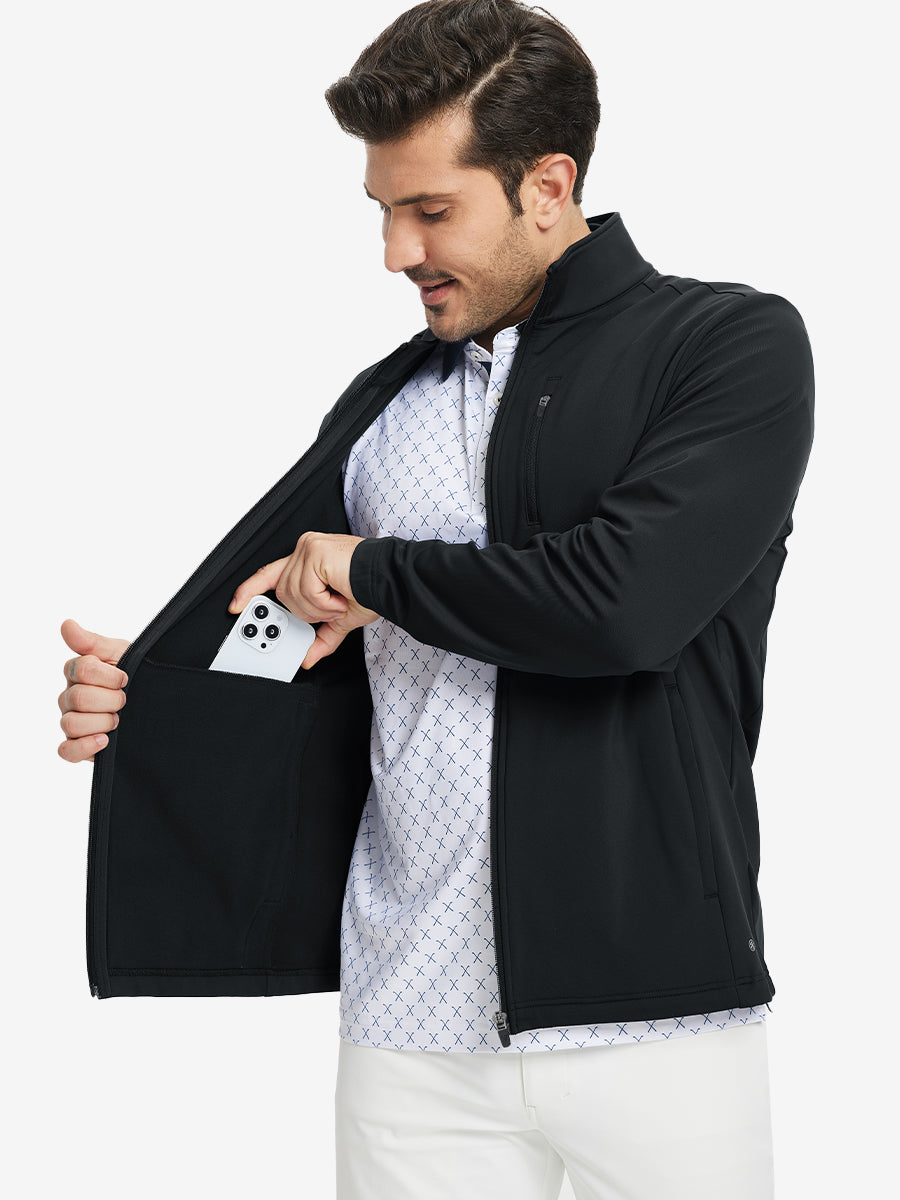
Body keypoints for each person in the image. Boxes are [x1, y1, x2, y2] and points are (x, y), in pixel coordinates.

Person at [57, 1, 815, 1197]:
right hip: (407, 1021)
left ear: (548, 186)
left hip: (652, 1011)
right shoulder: (386, 401)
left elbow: (624, 605)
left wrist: (373, 572)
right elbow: (294, 645)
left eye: (431, 210)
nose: (395, 251)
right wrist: (152, 700)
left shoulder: (724, 347)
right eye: (382, 211)